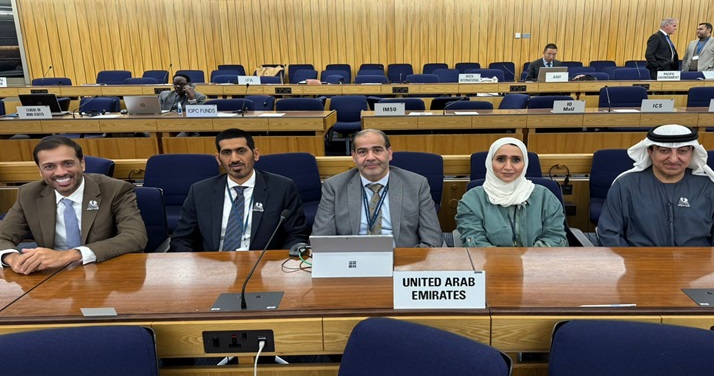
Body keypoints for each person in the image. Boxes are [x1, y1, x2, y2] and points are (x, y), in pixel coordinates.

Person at [0, 136, 147, 274]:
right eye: (49, 166)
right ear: (40, 171)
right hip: (52, 277)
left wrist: (70, 255)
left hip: (106, 271)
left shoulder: (115, 190)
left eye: (68, 163)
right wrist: (12, 258)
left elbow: (135, 236)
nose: (61, 172)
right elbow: (3, 236)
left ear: (82, 164)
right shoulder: (29, 194)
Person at [597, 124, 714, 247]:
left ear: (692, 153)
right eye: (664, 151)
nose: (673, 159)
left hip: (697, 273)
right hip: (638, 270)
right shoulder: (625, 186)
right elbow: (609, 234)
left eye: (682, 151)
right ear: (650, 151)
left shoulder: (711, 188)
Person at [170, 129, 307, 252]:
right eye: (226, 153)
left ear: (256, 154)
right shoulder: (200, 191)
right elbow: (182, 239)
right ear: (218, 159)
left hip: (264, 267)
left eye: (241, 151)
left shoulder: (282, 188)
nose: (234, 159)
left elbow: (296, 235)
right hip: (213, 266)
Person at [312, 129, 442, 247]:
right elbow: (321, 239)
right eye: (362, 152)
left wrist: (407, 262)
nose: (370, 157)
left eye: (377, 150)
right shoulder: (334, 186)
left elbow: (432, 239)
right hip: (352, 258)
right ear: (354, 156)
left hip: (402, 258)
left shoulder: (417, 184)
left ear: (389, 153)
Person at [456, 138, 566, 247]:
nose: (508, 167)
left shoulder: (545, 197)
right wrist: (505, 262)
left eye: (516, 160)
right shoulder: (472, 199)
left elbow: (555, 238)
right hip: (489, 263)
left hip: (538, 262)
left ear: (525, 163)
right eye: (500, 159)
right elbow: (474, 241)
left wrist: (527, 261)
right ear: (490, 162)